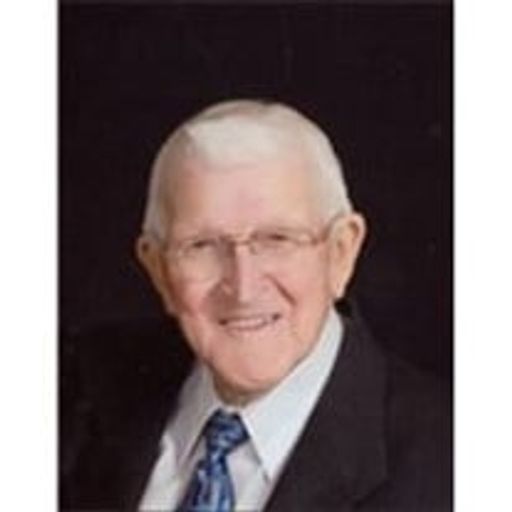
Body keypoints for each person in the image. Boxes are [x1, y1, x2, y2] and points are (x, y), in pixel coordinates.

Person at [60, 99, 452, 511]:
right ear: (157, 268)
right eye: (202, 245)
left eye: (277, 239)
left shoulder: (450, 463)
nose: (243, 288)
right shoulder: (76, 390)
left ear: (342, 252)